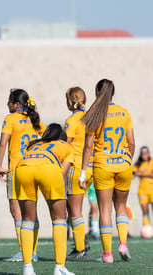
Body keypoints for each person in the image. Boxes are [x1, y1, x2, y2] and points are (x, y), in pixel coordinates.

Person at [80, 79, 135, 263]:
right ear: (113, 93)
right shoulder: (124, 112)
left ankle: (107, 254)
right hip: (123, 164)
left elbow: (88, 146)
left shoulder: (94, 113)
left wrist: (82, 171)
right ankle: (123, 243)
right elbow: (132, 143)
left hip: (103, 165)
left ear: (97, 92)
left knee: (104, 209)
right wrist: (127, 160)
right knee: (120, 206)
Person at [16, 123, 75, 275]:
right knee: (59, 219)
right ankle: (59, 267)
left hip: (22, 168)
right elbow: (62, 173)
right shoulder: (66, 146)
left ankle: (27, 268)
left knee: (28, 219)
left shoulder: (35, 145)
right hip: (49, 169)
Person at [0, 89, 45, 262]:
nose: (7, 104)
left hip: (17, 169)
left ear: (17, 104)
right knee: (32, 210)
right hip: (36, 167)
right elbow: (48, 141)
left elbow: (3, 143)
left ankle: (25, 251)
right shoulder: (36, 120)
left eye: (9, 101)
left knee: (16, 210)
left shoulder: (10, 119)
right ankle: (33, 251)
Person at [63, 87, 93, 260]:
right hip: (92, 167)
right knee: (75, 208)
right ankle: (81, 240)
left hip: (76, 167)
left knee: (75, 210)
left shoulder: (72, 120)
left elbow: (66, 146)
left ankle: (80, 248)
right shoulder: (93, 117)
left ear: (69, 102)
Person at [133, 146, 153, 229]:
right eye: (142, 154)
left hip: (151, 189)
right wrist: (136, 173)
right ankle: (146, 227)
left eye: (145, 154)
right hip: (142, 190)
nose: (144, 155)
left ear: (148, 153)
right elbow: (132, 175)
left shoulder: (152, 162)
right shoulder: (137, 164)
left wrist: (139, 173)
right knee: (145, 211)